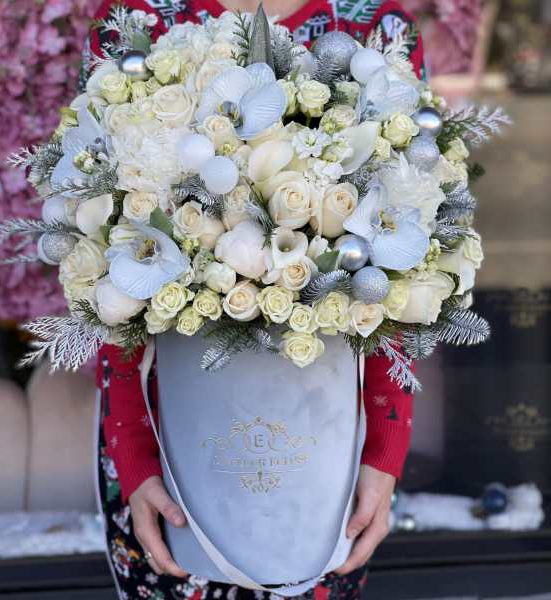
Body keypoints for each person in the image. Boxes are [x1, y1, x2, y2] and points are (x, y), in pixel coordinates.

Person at [89, 2, 425, 598]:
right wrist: (134, 458)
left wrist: (383, 451)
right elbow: (104, 261)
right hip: (163, 454)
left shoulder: (378, 28)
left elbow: (398, 271)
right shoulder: (140, 18)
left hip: (328, 459)